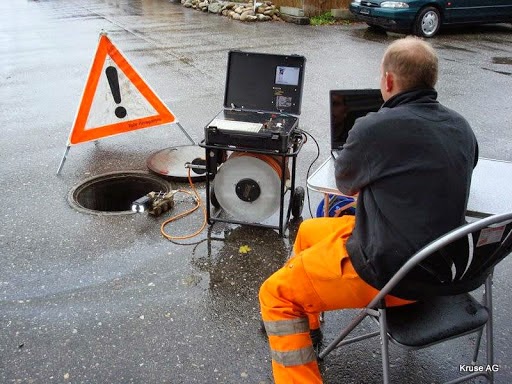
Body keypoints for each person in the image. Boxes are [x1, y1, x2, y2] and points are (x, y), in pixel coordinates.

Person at [259, 36, 479, 384]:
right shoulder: (461, 127)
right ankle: (309, 326)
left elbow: (346, 184)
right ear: (431, 80)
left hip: (393, 276)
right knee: (308, 231)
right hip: (443, 265)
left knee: (274, 293)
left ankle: (296, 352)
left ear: (388, 81)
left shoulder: (374, 126)